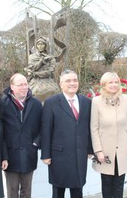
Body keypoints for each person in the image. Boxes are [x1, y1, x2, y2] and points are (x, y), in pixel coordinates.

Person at [41, 69, 93, 198]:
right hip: (59, 156)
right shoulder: (51, 102)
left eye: (75, 80)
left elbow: (89, 127)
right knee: (59, 190)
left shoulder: (86, 102)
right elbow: (46, 130)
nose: (72, 83)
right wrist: (45, 155)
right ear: (61, 84)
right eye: (68, 80)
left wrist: (90, 149)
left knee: (78, 189)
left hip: (79, 154)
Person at [90, 72, 127, 198]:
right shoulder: (96, 101)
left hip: (123, 148)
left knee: (119, 182)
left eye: (116, 82)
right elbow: (94, 128)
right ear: (104, 85)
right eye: (110, 82)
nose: (114, 85)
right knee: (106, 182)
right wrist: (98, 150)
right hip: (105, 150)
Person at [2, 73, 43, 198]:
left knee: (27, 191)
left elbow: (43, 127)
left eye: (26, 84)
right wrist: (3, 155)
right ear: (12, 87)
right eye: (20, 85)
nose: (24, 87)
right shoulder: (2, 104)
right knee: (12, 191)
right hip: (10, 155)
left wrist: (35, 143)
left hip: (29, 153)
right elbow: (0, 131)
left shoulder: (36, 103)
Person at [27, 36, 60, 101]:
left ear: (45, 45)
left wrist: (36, 73)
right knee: (31, 92)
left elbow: (50, 71)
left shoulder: (50, 58)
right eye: (38, 44)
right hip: (35, 80)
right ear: (36, 46)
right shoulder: (31, 57)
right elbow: (33, 68)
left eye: (42, 44)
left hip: (47, 80)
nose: (40, 46)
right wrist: (41, 61)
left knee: (54, 91)